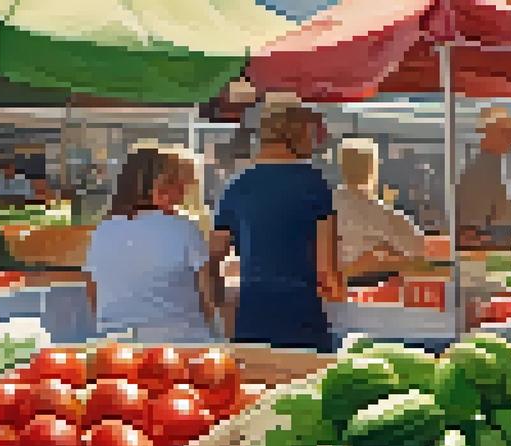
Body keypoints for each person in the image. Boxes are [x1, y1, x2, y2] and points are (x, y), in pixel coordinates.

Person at [207, 97, 342, 352]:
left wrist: (221, 307)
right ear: (299, 133)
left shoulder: (236, 186)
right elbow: (327, 270)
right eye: (313, 132)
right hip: (300, 311)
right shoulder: (313, 184)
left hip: (251, 311)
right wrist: (340, 294)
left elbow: (213, 258)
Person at [82, 148, 216, 344]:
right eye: (173, 183)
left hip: (117, 346)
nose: (182, 191)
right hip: (184, 344)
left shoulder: (102, 231)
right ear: (150, 188)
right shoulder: (184, 229)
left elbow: (94, 297)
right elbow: (208, 300)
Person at [333, 138, 426, 284]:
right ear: (372, 167)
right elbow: (417, 251)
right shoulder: (383, 214)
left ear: (342, 167)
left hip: (331, 289)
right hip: (375, 292)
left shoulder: (325, 206)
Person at [456, 106, 511, 251]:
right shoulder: (480, 172)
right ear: (489, 135)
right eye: (507, 133)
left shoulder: (495, 167)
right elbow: (468, 235)